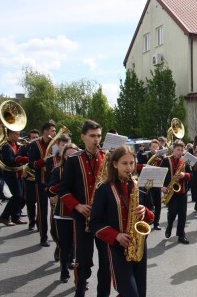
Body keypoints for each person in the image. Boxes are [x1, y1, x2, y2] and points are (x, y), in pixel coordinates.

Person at [90, 145, 154, 297]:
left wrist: (145, 212)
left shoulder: (138, 185)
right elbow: (94, 223)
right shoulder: (103, 188)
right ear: (115, 164)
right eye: (124, 163)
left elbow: (152, 215)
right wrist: (116, 236)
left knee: (139, 292)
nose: (129, 167)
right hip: (117, 248)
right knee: (130, 292)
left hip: (138, 245)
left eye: (131, 163)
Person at [58, 120, 111, 297]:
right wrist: (78, 206)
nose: (96, 140)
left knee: (106, 262)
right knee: (84, 261)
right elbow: (63, 190)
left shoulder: (108, 158)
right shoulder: (73, 160)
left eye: (98, 136)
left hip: (104, 219)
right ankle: (79, 291)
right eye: (92, 136)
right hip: (83, 218)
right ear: (83, 137)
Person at [47, 143, 80, 283]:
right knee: (65, 245)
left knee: (77, 245)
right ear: (63, 156)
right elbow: (49, 189)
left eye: (75, 154)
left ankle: (79, 275)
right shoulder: (58, 170)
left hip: (79, 212)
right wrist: (63, 185)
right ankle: (64, 271)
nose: (71, 157)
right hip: (62, 213)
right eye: (69, 155)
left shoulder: (82, 170)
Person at [28, 120, 57, 247]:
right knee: (42, 210)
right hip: (41, 181)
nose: (55, 133)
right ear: (46, 131)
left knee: (55, 210)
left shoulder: (55, 143)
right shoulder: (35, 145)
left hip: (53, 181)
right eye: (53, 131)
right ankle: (43, 236)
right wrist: (43, 161)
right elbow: (31, 164)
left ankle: (55, 235)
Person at [161, 140, 191, 243]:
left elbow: (191, 175)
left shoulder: (185, 161)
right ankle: (169, 226)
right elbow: (160, 176)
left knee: (183, 214)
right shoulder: (166, 160)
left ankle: (181, 235)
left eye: (181, 150)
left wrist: (185, 175)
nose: (180, 152)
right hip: (171, 192)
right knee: (172, 212)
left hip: (182, 191)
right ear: (173, 150)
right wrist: (162, 187)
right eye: (178, 149)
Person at [46, 134, 70, 261]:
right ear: (58, 146)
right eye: (63, 145)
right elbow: (48, 181)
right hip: (56, 198)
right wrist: (52, 194)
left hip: (70, 201)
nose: (65, 147)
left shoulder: (74, 160)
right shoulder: (51, 160)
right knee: (55, 229)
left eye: (67, 145)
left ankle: (66, 253)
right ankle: (59, 246)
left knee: (69, 232)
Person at [0, 129, 28, 226]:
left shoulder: (17, 145)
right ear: (10, 134)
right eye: (16, 134)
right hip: (11, 174)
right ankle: (4, 217)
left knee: (21, 196)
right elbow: (9, 161)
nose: (18, 136)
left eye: (19, 134)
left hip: (18, 173)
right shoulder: (6, 147)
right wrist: (22, 159)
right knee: (17, 195)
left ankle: (15, 217)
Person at [20, 129, 39, 230]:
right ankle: (32, 222)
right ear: (29, 138)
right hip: (29, 179)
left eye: (37, 137)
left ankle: (40, 224)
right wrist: (30, 159)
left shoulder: (42, 147)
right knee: (30, 202)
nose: (35, 139)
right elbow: (17, 158)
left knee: (41, 204)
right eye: (33, 138)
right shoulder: (24, 148)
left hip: (40, 178)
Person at [145, 139, 163, 230]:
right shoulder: (146, 155)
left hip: (157, 182)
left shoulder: (162, 157)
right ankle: (149, 221)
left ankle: (156, 222)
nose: (155, 148)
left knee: (158, 204)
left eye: (157, 147)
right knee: (149, 203)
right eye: (153, 147)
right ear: (150, 147)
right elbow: (138, 166)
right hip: (148, 182)